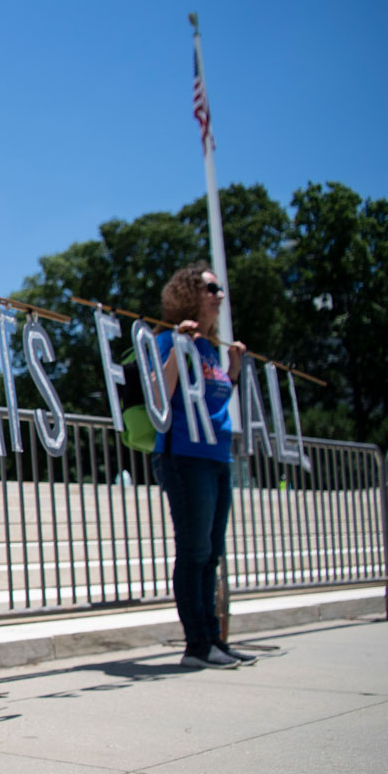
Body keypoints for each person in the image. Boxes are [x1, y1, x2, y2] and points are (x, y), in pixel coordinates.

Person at [154, 262, 251, 669]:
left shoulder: (211, 348)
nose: (219, 294)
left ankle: (213, 638)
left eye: (219, 287)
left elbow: (212, 402)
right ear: (191, 293)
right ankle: (196, 644)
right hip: (185, 457)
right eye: (210, 287)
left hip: (216, 456)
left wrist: (232, 371)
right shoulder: (167, 339)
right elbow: (163, 394)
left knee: (211, 553)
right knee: (194, 551)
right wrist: (178, 347)